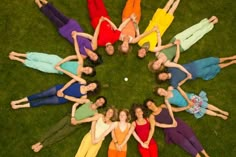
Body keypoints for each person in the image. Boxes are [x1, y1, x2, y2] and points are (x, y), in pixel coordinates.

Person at [35, 0, 103, 65]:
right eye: (95, 55)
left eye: (93, 58)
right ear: (96, 54)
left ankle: (39, 4)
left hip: (69, 34)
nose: (93, 55)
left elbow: (76, 49)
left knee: (53, 18)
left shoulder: (83, 56)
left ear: (91, 59)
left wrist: (75, 38)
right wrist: (77, 33)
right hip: (75, 28)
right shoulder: (94, 47)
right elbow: (89, 36)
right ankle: (45, 2)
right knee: (59, 14)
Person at [31, 96, 107, 152]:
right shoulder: (87, 101)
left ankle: (42, 145)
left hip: (75, 125)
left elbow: (87, 120)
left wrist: (77, 122)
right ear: (97, 99)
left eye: (101, 103)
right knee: (55, 128)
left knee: (60, 135)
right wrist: (72, 117)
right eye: (99, 100)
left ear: (101, 105)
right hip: (69, 117)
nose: (99, 102)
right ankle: (40, 141)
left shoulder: (95, 114)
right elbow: (75, 105)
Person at [8, 32, 96, 79]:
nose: (87, 70)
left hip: (56, 70)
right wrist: (75, 38)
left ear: (87, 74)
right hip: (58, 60)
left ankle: (17, 59)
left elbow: (68, 74)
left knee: (38, 66)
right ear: (88, 66)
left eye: (88, 72)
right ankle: (18, 54)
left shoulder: (78, 76)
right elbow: (74, 53)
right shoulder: (81, 62)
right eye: (89, 68)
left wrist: (59, 68)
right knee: (40, 57)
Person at [149, 16, 218, 71]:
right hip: (182, 47)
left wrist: (158, 32)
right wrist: (178, 46)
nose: (157, 64)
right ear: (159, 67)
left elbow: (160, 43)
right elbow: (177, 59)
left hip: (175, 39)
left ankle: (208, 21)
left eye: (155, 64)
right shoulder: (166, 63)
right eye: (157, 66)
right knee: (196, 36)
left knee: (191, 29)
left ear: (154, 62)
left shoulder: (157, 53)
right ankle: (212, 24)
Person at [145, 99, 210, 157]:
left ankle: (206, 155)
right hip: (169, 129)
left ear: (153, 102)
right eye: (149, 106)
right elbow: (157, 126)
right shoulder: (151, 117)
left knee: (191, 137)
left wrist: (187, 107)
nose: (151, 105)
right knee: (184, 143)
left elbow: (174, 110)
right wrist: (148, 141)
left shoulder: (162, 106)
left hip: (177, 122)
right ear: (148, 108)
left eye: (151, 103)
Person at [10, 77, 100, 109]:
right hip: (60, 88)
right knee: (41, 94)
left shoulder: (84, 97)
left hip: (61, 98)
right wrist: (61, 90)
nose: (91, 86)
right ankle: (18, 101)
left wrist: (64, 95)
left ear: (92, 90)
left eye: (93, 87)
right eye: (92, 84)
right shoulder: (83, 81)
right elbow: (70, 82)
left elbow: (74, 99)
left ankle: (19, 106)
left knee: (43, 102)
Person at [157, 55, 236, 87]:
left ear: (163, 72)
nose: (163, 76)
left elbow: (176, 59)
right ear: (164, 80)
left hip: (195, 64)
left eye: (162, 75)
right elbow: (179, 85)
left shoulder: (170, 68)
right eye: (162, 78)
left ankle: (230, 57)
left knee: (212, 60)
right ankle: (231, 62)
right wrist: (187, 78)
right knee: (214, 68)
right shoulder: (172, 82)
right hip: (196, 73)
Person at [155, 86, 229, 119]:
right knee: (204, 110)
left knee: (205, 105)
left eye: (161, 89)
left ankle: (221, 111)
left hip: (190, 98)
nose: (162, 91)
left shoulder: (170, 88)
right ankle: (220, 115)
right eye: (160, 93)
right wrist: (187, 107)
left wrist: (189, 101)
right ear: (160, 95)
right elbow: (175, 110)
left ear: (162, 88)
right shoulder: (166, 100)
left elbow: (182, 92)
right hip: (187, 106)